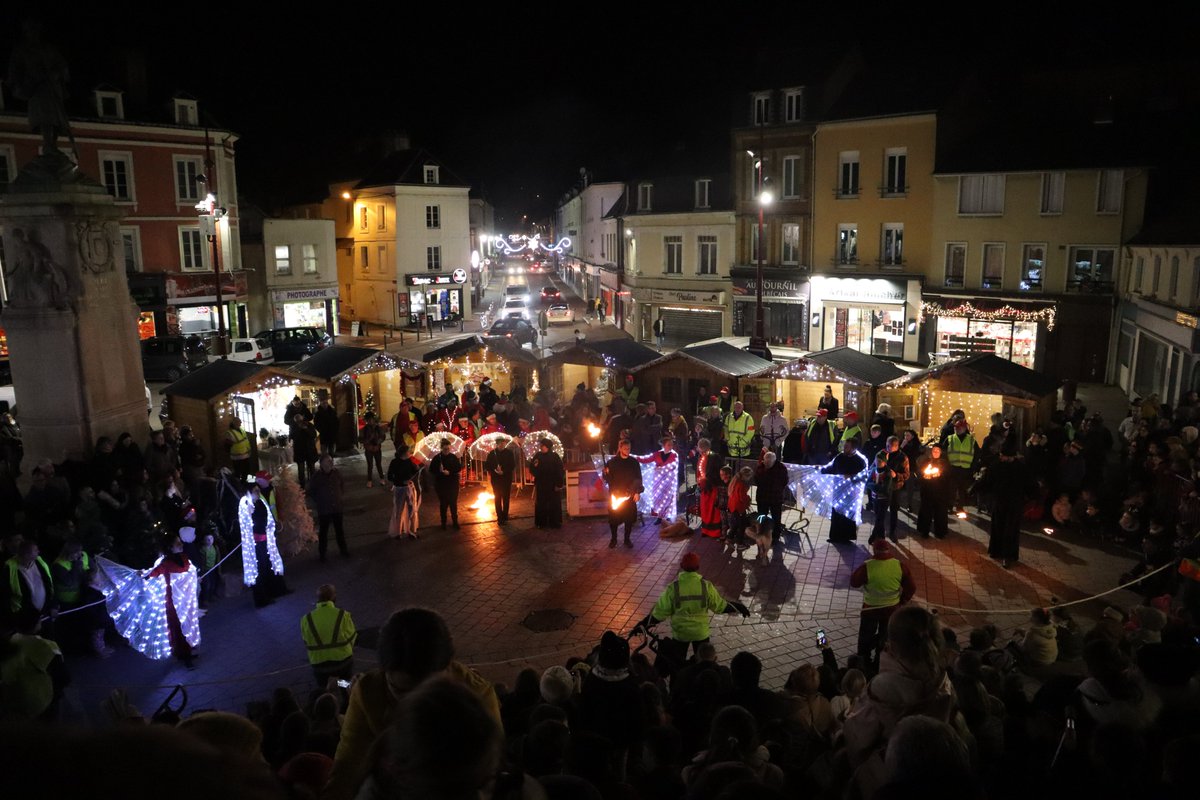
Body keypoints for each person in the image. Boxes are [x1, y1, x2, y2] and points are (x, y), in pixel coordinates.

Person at [324, 607, 500, 800]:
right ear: (384, 672)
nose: (415, 704)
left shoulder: (478, 697)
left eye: (431, 693)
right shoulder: (367, 693)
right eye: (400, 691)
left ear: (449, 665)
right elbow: (347, 767)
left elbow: (490, 770)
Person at [637, 552, 749, 658]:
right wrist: (739, 607)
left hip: (680, 634)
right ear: (697, 567)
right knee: (703, 664)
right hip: (701, 633)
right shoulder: (706, 586)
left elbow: (659, 613)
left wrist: (642, 624)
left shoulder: (673, 588)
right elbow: (720, 606)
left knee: (677, 664)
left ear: (681, 566)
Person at [851, 537, 916, 671]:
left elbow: (854, 582)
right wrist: (902, 601)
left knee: (865, 636)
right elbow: (911, 587)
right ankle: (879, 662)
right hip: (891, 610)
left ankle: (863, 662)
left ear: (874, 550)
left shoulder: (867, 566)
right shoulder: (899, 566)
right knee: (886, 637)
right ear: (888, 550)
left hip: (870, 609)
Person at [977, 436, 1036, 567]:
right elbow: (987, 480)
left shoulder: (1020, 468)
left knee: (1010, 529)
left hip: (1014, 503)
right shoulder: (997, 465)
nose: (1001, 457)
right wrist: (975, 488)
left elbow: (1030, 484)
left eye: (1003, 455)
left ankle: (1007, 555)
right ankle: (996, 550)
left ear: (1010, 457)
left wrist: (1031, 497)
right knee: (997, 526)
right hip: (1000, 501)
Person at [50, 539, 111, 657]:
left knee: (85, 624)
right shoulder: (59, 564)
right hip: (68, 600)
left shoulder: (84, 555)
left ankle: (85, 647)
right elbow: (70, 582)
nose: (80, 554)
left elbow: (94, 568)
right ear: (68, 553)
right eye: (76, 553)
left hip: (84, 596)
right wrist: (77, 565)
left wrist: (90, 575)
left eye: (80, 551)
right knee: (70, 627)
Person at [237, 477, 286, 607]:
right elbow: (246, 525)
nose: (258, 493)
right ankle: (262, 598)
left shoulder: (261, 503)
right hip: (255, 545)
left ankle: (275, 591)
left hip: (266, 541)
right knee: (260, 569)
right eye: (255, 491)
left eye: (258, 490)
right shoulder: (245, 505)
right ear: (249, 492)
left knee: (270, 565)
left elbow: (268, 518)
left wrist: (271, 528)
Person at [300, 584, 357, 687]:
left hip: (319, 665)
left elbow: (306, 641)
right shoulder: (343, 615)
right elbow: (352, 638)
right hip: (342, 662)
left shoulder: (306, 619)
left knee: (322, 685)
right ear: (333, 596)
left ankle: (325, 692)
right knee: (346, 683)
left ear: (318, 598)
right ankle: (342, 687)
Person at [822, 437, 869, 544]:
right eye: (844, 446)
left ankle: (847, 537)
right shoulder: (840, 457)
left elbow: (864, 476)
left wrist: (852, 477)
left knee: (848, 514)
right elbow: (831, 468)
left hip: (850, 493)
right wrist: (820, 470)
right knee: (836, 513)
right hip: (838, 490)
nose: (844, 448)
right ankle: (835, 536)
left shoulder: (859, 461)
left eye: (847, 447)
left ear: (853, 448)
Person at [4, 538, 55, 629]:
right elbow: (5, 595)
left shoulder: (40, 561)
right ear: (26, 554)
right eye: (35, 550)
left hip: (44, 612)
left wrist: (53, 605)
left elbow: (49, 584)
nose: (38, 552)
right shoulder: (9, 568)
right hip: (24, 617)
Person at [307, 454, 348, 561]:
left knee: (339, 530)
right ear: (321, 464)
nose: (329, 464)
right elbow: (311, 491)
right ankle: (322, 553)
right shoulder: (316, 477)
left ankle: (343, 550)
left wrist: (339, 497)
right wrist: (319, 501)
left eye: (330, 462)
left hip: (337, 507)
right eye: (327, 462)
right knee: (324, 532)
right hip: (324, 509)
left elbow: (342, 485)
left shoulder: (336, 473)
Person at [604, 438, 642, 548]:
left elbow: (638, 478)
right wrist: (606, 473)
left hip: (629, 494)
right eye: (625, 448)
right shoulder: (612, 462)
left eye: (629, 448)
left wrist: (637, 492)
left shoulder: (633, 462)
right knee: (614, 519)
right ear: (620, 448)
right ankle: (614, 539)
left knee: (629, 518)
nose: (627, 450)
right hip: (616, 494)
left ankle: (627, 539)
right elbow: (608, 479)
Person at [636, 434, 680, 524]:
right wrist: (633, 457)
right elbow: (646, 459)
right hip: (658, 481)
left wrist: (660, 468)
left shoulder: (674, 455)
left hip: (669, 481)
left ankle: (668, 515)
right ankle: (660, 517)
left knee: (669, 498)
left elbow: (673, 466)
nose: (671, 446)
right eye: (669, 445)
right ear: (663, 445)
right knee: (659, 498)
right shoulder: (657, 454)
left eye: (671, 445)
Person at [916, 443, 951, 539]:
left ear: (941, 452)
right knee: (926, 511)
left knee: (940, 513)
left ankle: (940, 532)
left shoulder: (944, 463)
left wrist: (940, 475)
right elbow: (920, 473)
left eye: (937, 451)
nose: (935, 452)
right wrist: (924, 476)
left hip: (940, 492)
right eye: (934, 450)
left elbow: (948, 477)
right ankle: (924, 531)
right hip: (927, 491)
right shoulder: (926, 461)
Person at [944, 418, 978, 512]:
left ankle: (960, 506)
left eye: (958, 427)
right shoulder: (950, 438)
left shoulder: (971, 440)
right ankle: (950, 506)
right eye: (955, 427)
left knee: (962, 489)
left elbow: (977, 454)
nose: (956, 429)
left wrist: (973, 467)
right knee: (951, 488)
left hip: (965, 469)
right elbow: (943, 452)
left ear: (964, 428)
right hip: (952, 468)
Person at [386, 444, 420, 540]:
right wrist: (401, 481)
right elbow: (390, 476)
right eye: (409, 451)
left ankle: (410, 531)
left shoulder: (410, 461)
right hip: (400, 489)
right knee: (399, 510)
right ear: (405, 453)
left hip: (409, 488)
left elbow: (413, 473)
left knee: (411, 509)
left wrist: (416, 469)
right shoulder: (395, 462)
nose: (410, 453)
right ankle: (397, 532)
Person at [429, 438, 463, 529]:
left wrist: (450, 472)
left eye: (448, 449)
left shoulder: (453, 457)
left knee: (453, 503)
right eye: (445, 449)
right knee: (443, 504)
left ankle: (455, 522)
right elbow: (431, 470)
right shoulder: (437, 458)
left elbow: (458, 468)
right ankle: (443, 523)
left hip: (452, 484)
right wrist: (439, 471)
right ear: (441, 448)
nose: (447, 451)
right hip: (441, 485)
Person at [755, 449, 789, 538]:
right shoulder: (761, 467)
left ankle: (775, 535)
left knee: (776, 517)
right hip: (763, 497)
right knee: (761, 516)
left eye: (769, 463)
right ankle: (761, 532)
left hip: (775, 498)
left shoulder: (781, 468)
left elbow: (785, 481)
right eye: (766, 462)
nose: (767, 464)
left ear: (774, 461)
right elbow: (756, 479)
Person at [483, 435, 516, 523]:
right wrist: (495, 470)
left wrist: (503, 471)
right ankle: (499, 516)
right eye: (500, 443)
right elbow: (487, 465)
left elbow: (512, 465)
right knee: (497, 498)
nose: (502, 445)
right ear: (497, 444)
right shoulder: (492, 453)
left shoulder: (509, 453)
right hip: (496, 479)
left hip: (506, 478)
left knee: (506, 498)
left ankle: (505, 515)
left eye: (503, 443)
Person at [696, 437, 725, 538]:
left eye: (702, 450)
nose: (701, 452)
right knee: (705, 510)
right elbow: (699, 470)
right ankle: (705, 530)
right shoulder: (701, 457)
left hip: (712, 488)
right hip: (704, 488)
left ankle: (715, 532)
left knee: (713, 511)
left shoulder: (715, 457)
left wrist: (708, 478)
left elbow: (719, 472)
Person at [868, 452, 896, 545]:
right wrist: (876, 487)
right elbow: (868, 483)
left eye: (880, 461)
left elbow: (885, 489)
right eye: (876, 460)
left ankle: (873, 535)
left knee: (879, 518)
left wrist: (874, 487)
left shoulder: (888, 473)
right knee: (878, 518)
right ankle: (881, 536)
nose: (878, 462)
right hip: (875, 498)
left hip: (884, 499)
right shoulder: (873, 470)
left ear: (884, 462)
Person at [360, 411, 386, 488]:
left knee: (378, 464)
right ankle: (369, 480)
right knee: (370, 465)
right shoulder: (364, 429)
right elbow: (361, 439)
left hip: (377, 449)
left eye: (371, 419)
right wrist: (368, 441)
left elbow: (383, 437)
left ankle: (382, 478)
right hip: (369, 449)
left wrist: (378, 442)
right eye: (368, 420)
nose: (370, 421)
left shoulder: (378, 428)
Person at [291, 415, 319, 488]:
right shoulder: (294, 426)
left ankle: (313, 485)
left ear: (303, 419)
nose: (299, 422)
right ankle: (302, 486)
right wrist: (298, 429)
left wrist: (306, 429)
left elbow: (314, 435)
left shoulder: (309, 425)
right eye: (297, 421)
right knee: (301, 470)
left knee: (312, 469)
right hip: (299, 451)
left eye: (300, 420)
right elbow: (292, 436)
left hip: (309, 450)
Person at [225, 416, 252, 482]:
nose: (241, 423)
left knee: (246, 471)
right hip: (237, 457)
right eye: (239, 422)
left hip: (245, 455)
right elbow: (227, 446)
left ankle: (245, 483)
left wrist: (249, 450)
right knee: (238, 472)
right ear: (234, 423)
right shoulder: (230, 433)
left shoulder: (241, 430)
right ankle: (238, 484)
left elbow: (245, 441)